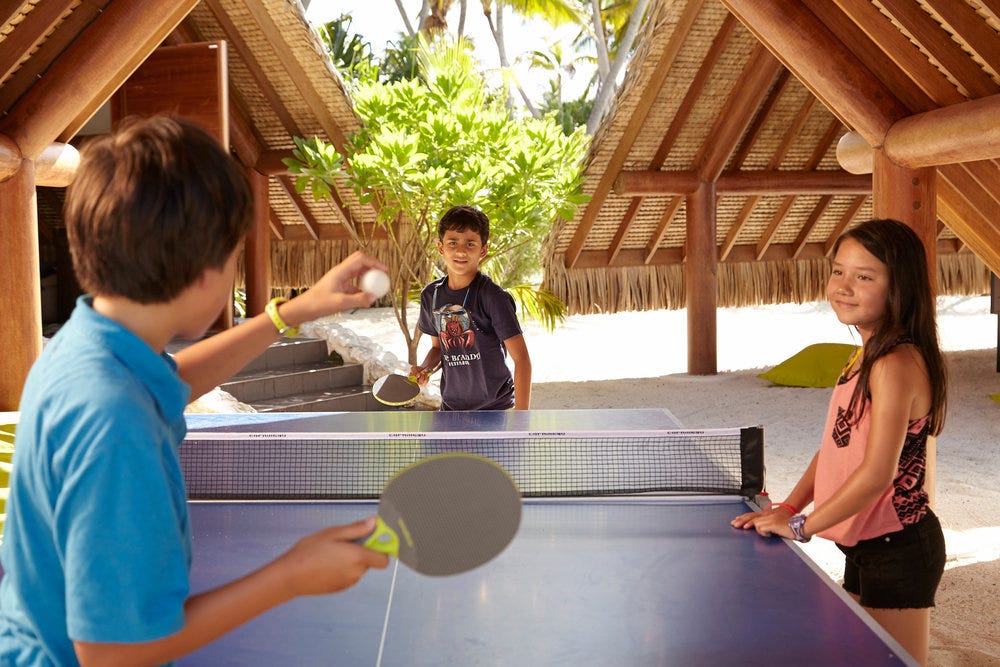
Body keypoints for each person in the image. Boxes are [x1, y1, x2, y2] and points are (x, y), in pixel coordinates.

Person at [0, 116, 390, 666]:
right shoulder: (115, 425)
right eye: (234, 256)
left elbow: (173, 381)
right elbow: (110, 655)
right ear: (207, 274)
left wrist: (292, 312)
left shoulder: (89, 344)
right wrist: (289, 576)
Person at [732, 218, 948, 665]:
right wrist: (789, 506)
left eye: (864, 277)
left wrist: (800, 527)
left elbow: (876, 475)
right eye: (838, 271)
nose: (843, 286)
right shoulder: (863, 354)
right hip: (866, 543)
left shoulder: (896, 364)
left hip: (900, 546)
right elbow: (835, 449)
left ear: (898, 287)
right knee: (856, 656)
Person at [410, 205, 531, 410]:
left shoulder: (493, 297)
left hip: (496, 410)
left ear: (483, 250)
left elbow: (522, 360)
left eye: (470, 243)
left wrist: (521, 418)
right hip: (451, 410)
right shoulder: (431, 296)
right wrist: (425, 368)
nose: (460, 250)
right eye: (453, 242)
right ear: (441, 248)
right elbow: (439, 347)